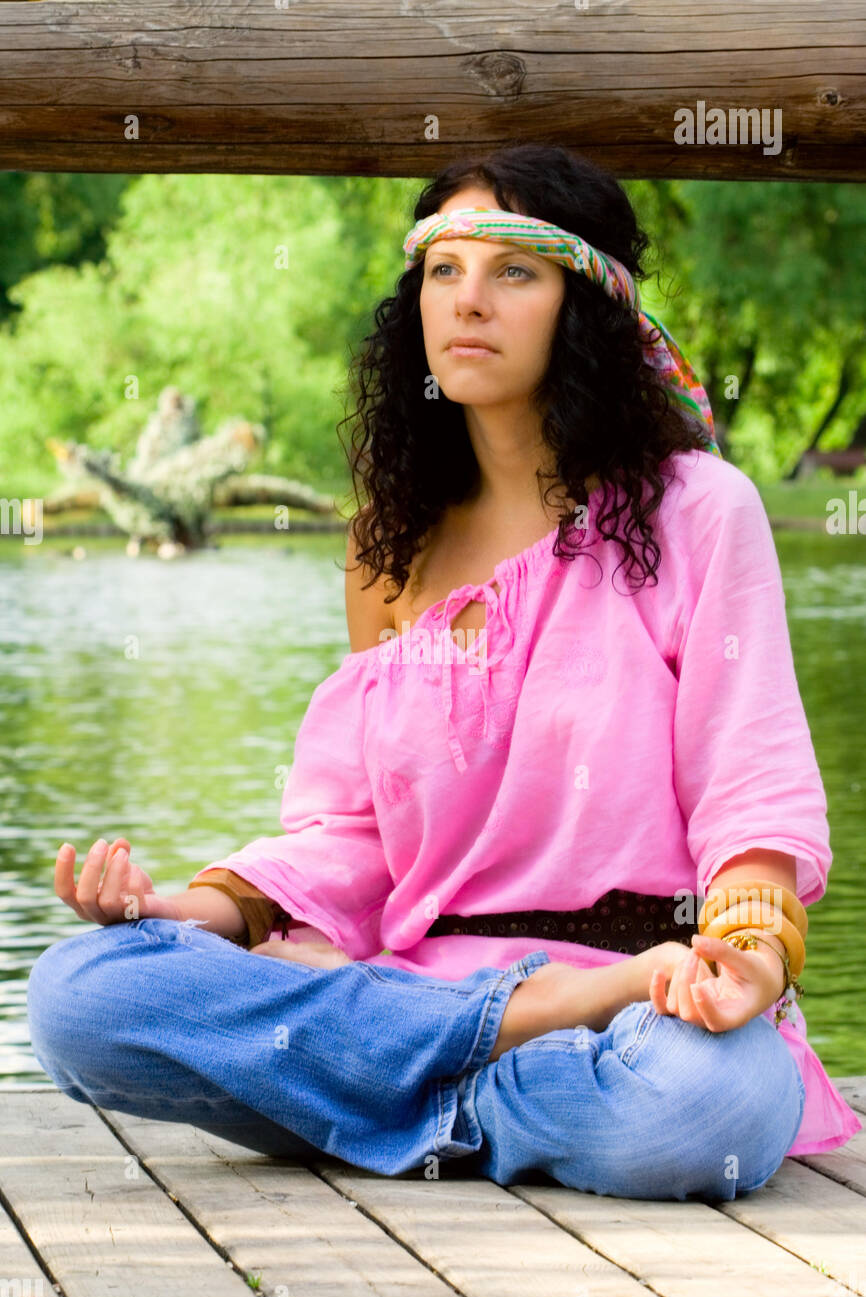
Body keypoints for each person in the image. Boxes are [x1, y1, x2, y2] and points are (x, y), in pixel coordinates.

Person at [28, 143, 860, 1201]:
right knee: (79, 994)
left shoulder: (699, 509)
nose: (469, 300)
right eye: (442, 271)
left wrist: (746, 957)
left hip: (643, 1000)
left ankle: (378, 1097)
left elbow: (749, 799)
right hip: (428, 991)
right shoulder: (393, 541)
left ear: (586, 304)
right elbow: (353, 836)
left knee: (701, 1103)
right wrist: (191, 909)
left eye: (513, 271)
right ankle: (490, 1071)